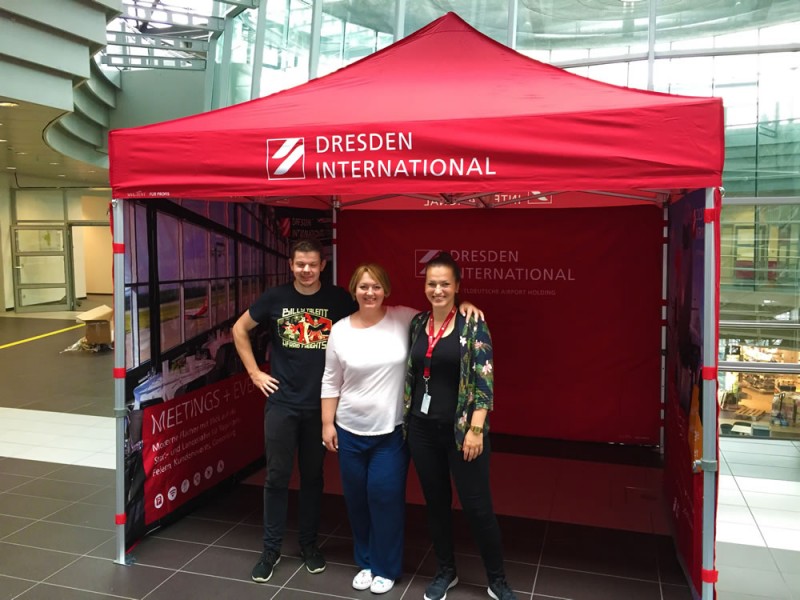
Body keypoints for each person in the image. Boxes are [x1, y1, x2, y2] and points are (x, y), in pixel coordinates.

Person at [321, 264, 484, 595]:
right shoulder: (339, 330)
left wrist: (465, 306)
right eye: (364, 287)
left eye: (376, 287)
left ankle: (385, 567)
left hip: (392, 432)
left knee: (384, 499)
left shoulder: (406, 319)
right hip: (349, 430)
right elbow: (330, 379)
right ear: (354, 290)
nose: (370, 292)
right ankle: (365, 561)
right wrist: (327, 423)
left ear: (386, 290)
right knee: (356, 500)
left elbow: (444, 315)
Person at [232, 238, 355, 583]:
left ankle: (309, 545)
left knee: (314, 479)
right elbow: (239, 329)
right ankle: (270, 550)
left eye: (312, 264)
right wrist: (255, 373)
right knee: (276, 478)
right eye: (300, 264)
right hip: (282, 405)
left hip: (321, 409)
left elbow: (364, 327)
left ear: (322, 266)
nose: (306, 270)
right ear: (291, 264)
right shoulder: (275, 298)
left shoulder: (338, 299)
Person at [404, 252, 516, 600]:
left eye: (445, 284)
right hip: (422, 431)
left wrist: (476, 429)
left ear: (457, 287)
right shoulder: (417, 324)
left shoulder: (473, 325)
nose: (437, 290)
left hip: (462, 433)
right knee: (436, 504)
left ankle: (497, 580)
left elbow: (485, 381)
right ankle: (445, 571)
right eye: (432, 284)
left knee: (477, 506)